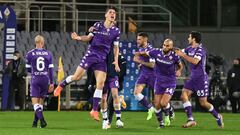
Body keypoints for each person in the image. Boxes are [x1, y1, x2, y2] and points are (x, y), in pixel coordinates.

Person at [53, 6, 120, 122]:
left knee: (101, 83)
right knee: (76, 77)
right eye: (110, 12)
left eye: (114, 13)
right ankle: (61, 85)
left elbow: (116, 47)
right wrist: (78, 37)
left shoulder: (116, 31)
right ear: (106, 15)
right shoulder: (97, 25)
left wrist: (116, 61)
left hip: (102, 59)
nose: (112, 14)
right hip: (91, 55)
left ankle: (94, 110)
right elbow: (88, 37)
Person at [175, 31, 224, 128]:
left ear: (193, 39)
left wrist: (182, 55)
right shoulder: (189, 49)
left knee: (203, 103)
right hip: (193, 78)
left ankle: (218, 116)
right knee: (183, 95)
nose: (188, 39)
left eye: (189, 37)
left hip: (201, 79)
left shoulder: (200, 50)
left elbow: (195, 61)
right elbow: (180, 51)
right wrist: (170, 48)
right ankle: (191, 119)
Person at [136, 39, 183, 128]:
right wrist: (138, 54)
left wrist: (179, 70)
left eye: (167, 46)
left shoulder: (175, 56)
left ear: (171, 47)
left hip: (170, 82)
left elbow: (180, 65)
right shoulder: (156, 52)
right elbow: (146, 53)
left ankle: (168, 113)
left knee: (164, 103)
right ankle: (161, 123)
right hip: (159, 81)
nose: (165, 47)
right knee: (157, 104)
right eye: (164, 45)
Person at [25, 35, 54, 128]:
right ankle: (34, 122)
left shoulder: (30, 54)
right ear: (43, 43)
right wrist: (52, 83)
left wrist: (35, 71)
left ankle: (42, 121)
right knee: (40, 102)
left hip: (35, 79)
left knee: (35, 103)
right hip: (45, 79)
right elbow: (51, 70)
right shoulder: (48, 53)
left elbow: (28, 69)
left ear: (35, 42)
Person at [133, 32, 156, 120]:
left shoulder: (150, 50)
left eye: (139, 39)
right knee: (136, 93)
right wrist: (141, 65)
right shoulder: (141, 48)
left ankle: (170, 111)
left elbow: (152, 65)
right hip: (144, 75)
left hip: (153, 76)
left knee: (159, 101)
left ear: (145, 39)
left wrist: (140, 62)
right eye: (137, 39)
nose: (137, 41)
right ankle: (150, 108)